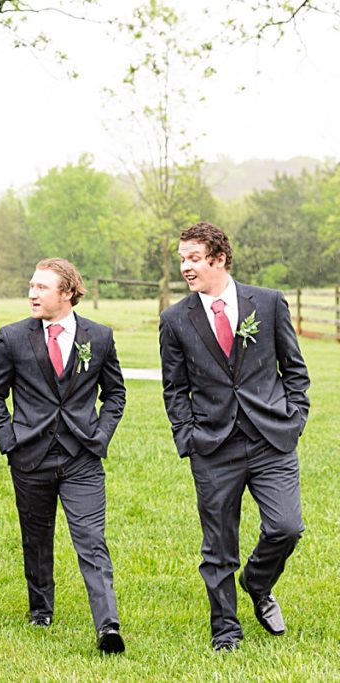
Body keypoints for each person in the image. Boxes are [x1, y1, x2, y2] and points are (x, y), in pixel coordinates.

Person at [159, 221, 308, 652]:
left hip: (271, 440)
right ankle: (226, 628)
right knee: (218, 544)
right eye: (181, 258)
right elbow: (174, 387)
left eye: (193, 258)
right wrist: (188, 435)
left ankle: (257, 582)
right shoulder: (175, 319)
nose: (185, 266)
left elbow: (294, 369)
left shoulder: (268, 303)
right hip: (213, 446)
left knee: (287, 527)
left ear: (219, 259)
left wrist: (294, 417)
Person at [0, 258, 126, 654]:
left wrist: (100, 435)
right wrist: (10, 441)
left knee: (91, 539)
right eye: (31, 285)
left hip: (82, 457)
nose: (32, 293)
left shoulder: (99, 336)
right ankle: (41, 608)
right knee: (36, 538)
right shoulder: (12, 337)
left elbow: (115, 394)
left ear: (67, 293)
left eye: (41, 287)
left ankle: (107, 624)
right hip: (30, 457)